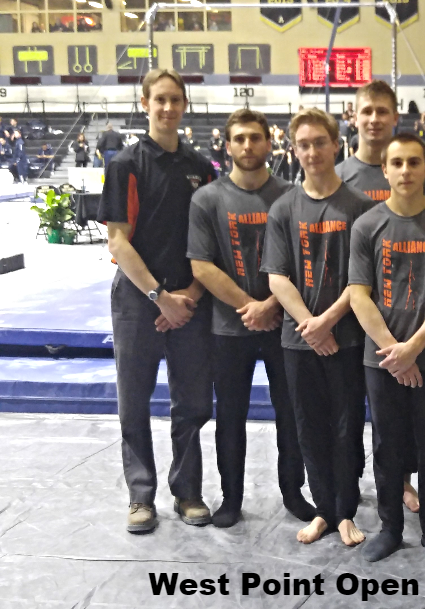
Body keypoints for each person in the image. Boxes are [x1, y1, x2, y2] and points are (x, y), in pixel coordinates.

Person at [97, 68, 217, 534]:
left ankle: (187, 490)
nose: (168, 108)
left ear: (185, 105)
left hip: (189, 300)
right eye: (160, 99)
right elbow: (117, 241)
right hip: (138, 300)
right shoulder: (125, 165)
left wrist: (189, 296)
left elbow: (212, 244)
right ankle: (141, 495)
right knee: (134, 402)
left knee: (192, 402)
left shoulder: (202, 168)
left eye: (175, 100)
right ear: (144, 103)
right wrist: (158, 297)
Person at [186, 108, 316, 529]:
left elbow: (303, 262)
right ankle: (231, 498)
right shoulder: (207, 199)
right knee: (230, 416)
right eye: (239, 138)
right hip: (230, 327)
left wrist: (272, 306)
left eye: (255, 137)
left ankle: (293, 492)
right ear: (227, 146)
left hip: (284, 325)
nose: (247, 145)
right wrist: (251, 307)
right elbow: (202, 266)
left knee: (291, 413)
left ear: (268, 143)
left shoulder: (291, 196)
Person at [349, 133, 425, 564]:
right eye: (396, 163)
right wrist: (394, 352)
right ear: (384, 170)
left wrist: (413, 348)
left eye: (414, 162)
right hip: (381, 359)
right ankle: (391, 528)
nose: (405, 170)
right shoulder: (366, 226)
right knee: (386, 444)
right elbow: (359, 295)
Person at [263, 108, 374, 547]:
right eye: (304, 145)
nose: (312, 152)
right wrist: (310, 325)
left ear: (336, 144)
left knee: (346, 427)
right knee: (308, 427)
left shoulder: (360, 208)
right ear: (294, 150)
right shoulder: (283, 208)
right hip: (299, 341)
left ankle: (345, 511)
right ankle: (324, 509)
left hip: (347, 337)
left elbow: (362, 280)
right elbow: (277, 277)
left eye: (320, 142)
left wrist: (328, 322)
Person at [335, 80, 420, 509]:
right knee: (348, 408)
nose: (373, 119)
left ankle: (401, 480)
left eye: (382, 111)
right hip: (350, 314)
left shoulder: (410, 171)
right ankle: (348, 483)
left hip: (401, 314)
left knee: (398, 411)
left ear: (395, 117)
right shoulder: (339, 177)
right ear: (353, 116)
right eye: (366, 111)